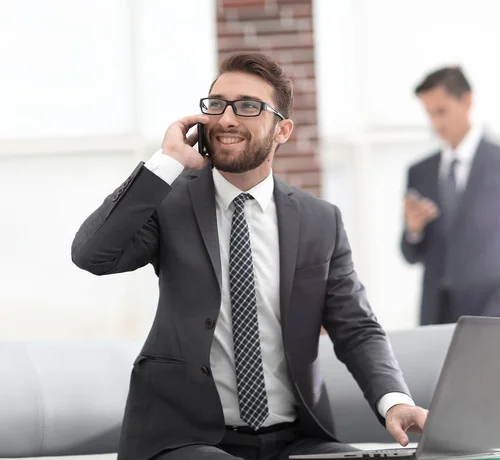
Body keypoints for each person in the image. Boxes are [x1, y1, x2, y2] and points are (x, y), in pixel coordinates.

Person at [72, 52, 427, 460]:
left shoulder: (319, 220)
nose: (226, 119)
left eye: (248, 107)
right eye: (217, 104)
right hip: (184, 439)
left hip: (295, 438)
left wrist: (395, 401)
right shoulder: (169, 200)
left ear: (282, 130)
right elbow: (92, 254)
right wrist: (165, 163)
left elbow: (357, 327)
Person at [401, 66, 500, 326]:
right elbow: (410, 254)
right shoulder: (420, 173)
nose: (436, 124)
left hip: (494, 312)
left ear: (467, 101)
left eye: (441, 111)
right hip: (436, 318)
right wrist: (413, 230)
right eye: (429, 114)